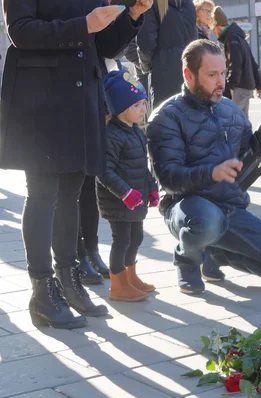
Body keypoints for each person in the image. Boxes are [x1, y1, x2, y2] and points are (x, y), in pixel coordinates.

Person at [0, 1, 152, 329]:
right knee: (42, 193)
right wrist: (83, 24)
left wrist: (132, 15)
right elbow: (20, 30)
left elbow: (106, 44)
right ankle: (42, 291)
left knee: (71, 191)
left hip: (82, 93)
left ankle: (68, 280)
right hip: (42, 95)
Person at [147, 40, 261, 295]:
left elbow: (249, 156)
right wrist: (211, 173)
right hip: (187, 208)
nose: (221, 82)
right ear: (189, 75)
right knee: (207, 220)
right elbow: (168, 178)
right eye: (212, 75)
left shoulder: (230, 110)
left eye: (223, 74)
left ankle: (213, 256)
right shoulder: (166, 117)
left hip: (228, 207)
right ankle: (187, 261)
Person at [97, 70, 159, 302]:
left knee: (136, 238)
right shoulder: (111, 135)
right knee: (121, 241)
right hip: (118, 200)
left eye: (143, 104)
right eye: (137, 106)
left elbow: (142, 166)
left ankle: (131, 277)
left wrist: (151, 187)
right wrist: (125, 192)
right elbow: (104, 171)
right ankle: (118, 285)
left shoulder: (135, 132)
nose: (143, 110)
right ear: (122, 109)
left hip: (136, 198)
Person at [137, 0, 197, 110]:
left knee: (165, 119)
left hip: (163, 71)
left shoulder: (151, 3)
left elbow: (146, 43)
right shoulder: (189, 4)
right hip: (191, 71)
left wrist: (146, 66)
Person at [211, 7, 261, 118]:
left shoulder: (231, 38)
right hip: (247, 85)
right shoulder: (239, 37)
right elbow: (252, 62)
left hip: (239, 86)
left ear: (216, 25)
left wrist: (230, 85)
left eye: (212, 28)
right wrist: (259, 84)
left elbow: (235, 64)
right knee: (242, 120)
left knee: (233, 120)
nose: (213, 32)